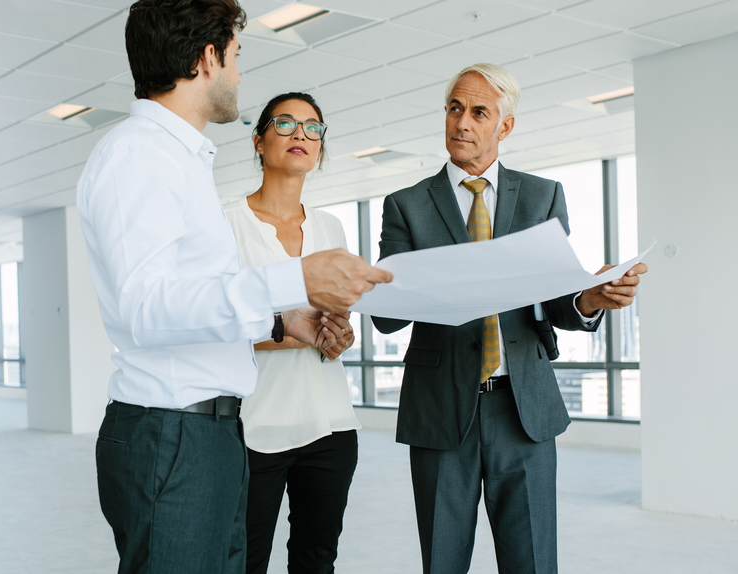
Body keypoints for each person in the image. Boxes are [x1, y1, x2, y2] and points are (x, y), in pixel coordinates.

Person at [75, 2, 393, 573]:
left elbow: (195, 297)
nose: (240, 75)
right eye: (237, 56)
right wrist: (294, 279)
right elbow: (146, 308)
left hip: (211, 432)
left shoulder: (181, 160)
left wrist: (282, 320)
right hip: (172, 432)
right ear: (207, 57)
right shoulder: (137, 155)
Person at [372, 63, 646, 574]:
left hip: (524, 413)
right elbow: (386, 321)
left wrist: (593, 297)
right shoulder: (405, 205)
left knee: (534, 562)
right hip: (440, 410)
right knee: (442, 561)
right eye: (454, 108)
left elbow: (560, 303)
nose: (461, 123)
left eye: (479, 112)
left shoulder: (543, 197)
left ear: (505, 126)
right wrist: (393, 287)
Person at [223, 92, 360, 574]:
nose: (300, 134)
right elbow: (213, 322)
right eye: (284, 124)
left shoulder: (331, 227)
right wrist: (290, 331)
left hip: (330, 425)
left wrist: (338, 338)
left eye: (313, 127)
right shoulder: (226, 224)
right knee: (244, 559)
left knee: (317, 561)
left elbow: (338, 329)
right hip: (254, 427)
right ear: (259, 141)